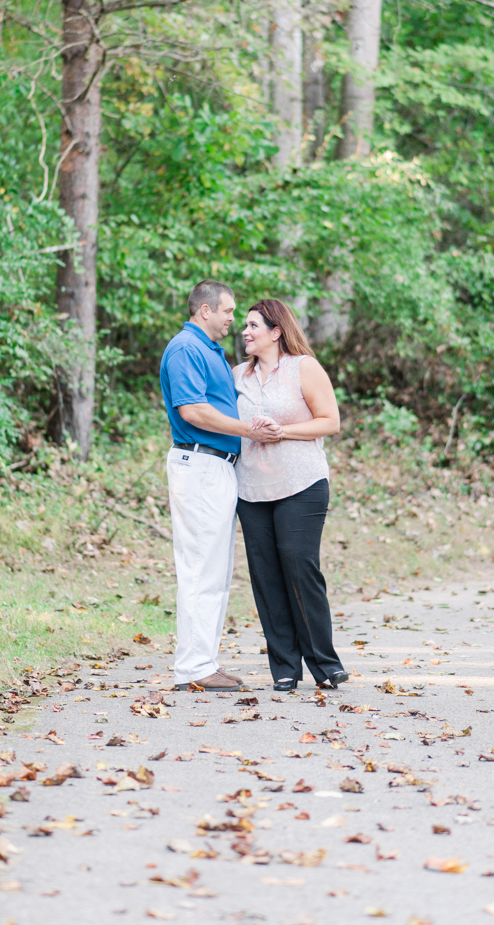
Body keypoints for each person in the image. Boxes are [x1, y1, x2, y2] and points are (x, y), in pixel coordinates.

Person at [160, 279, 282, 691]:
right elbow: (193, 411)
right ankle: (193, 669)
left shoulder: (209, 350)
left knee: (215, 570)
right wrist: (249, 430)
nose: (234, 319)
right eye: (229, 311)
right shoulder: (185, 348)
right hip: (200, 464)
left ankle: (203, 663)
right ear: (205, 310)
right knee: (199, 566)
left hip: (218, 467)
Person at [233, 299, 348, 693]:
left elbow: (330, 421)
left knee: (300, 568)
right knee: (266, 578)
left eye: (253, 325)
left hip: (302, 483)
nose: (245, 332)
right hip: (251, 489)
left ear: (276, 331)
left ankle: (325, 663)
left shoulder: (304, 367)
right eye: (244, 326)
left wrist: (281, 431)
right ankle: (284, 667)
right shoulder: (236, 377)